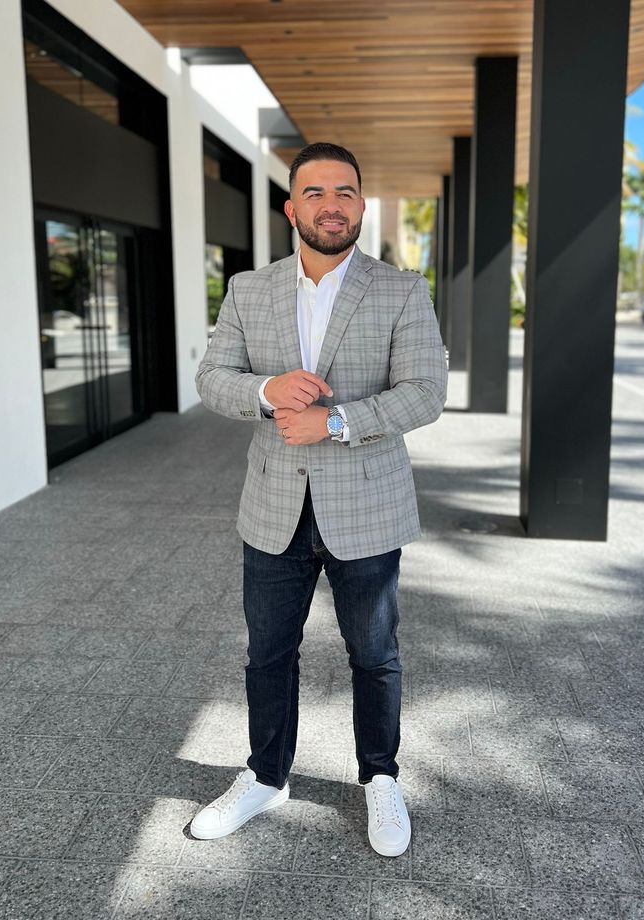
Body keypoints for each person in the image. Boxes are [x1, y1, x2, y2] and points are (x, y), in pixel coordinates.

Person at [192, 142, 447, 857]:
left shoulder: (402, 291)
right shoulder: (248, 289)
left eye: (345, 192)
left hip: (368, 505)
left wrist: (336, 421)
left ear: (360, 206)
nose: (331, 205)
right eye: (314, 193)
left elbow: (426, 392)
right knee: (268, 652)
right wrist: (268, 391)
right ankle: (266, 776)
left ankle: (381, 778)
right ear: (291, 207)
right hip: (272, 506)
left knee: (375, 653)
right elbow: (213, 379)